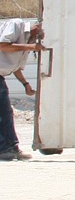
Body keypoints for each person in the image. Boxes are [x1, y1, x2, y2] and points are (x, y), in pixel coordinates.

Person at [0, 20, 44, 161]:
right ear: (37, 28)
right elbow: (2, 45)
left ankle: (10, 148)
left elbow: (15, 67)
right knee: (3, 113)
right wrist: (30, 46)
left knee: (6, 112)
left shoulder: (28, 42)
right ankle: (5, 149)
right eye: (42, 35)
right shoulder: (16, 24)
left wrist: (25, 84)